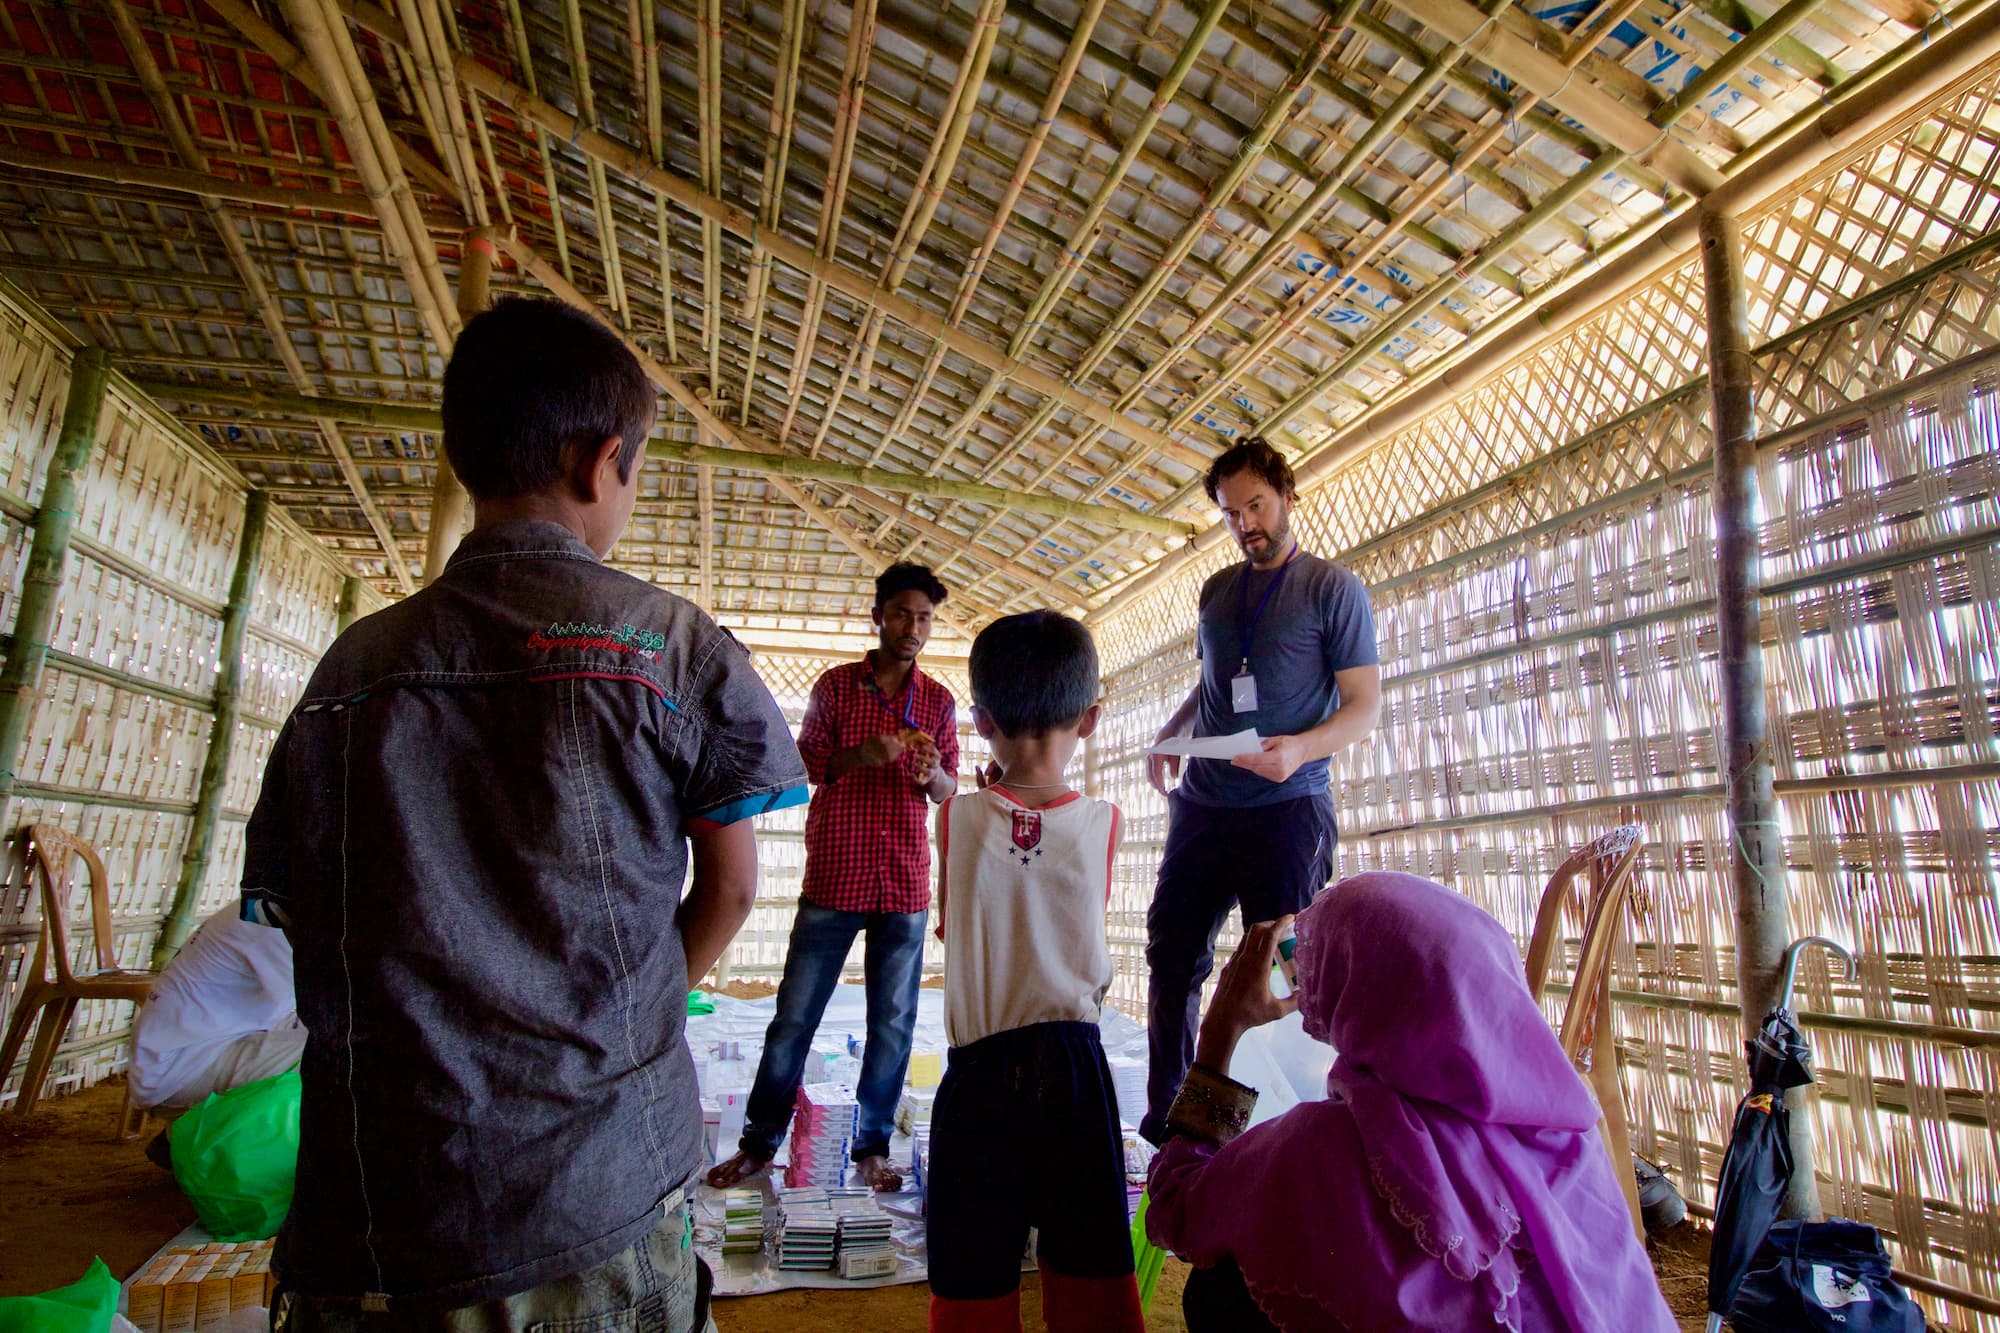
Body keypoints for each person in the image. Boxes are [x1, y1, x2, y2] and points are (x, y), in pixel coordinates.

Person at [239, 296, 808, 1331]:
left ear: (465, 458)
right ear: (604, 463)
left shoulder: (347, 672)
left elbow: (304, 914)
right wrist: (618, 1018)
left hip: (375, 1221)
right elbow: (729, 888)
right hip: (589, 1198)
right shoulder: (670, 648)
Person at [1146, 872, 1678, 1333]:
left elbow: (1174, 1211)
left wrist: (1220, 1034)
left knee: (1214, 1290)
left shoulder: (1320, 1148)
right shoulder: (1567, 1131)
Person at [1140, 436, 1381, 1143]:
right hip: (1204, 805)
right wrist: (1171, 730)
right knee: (1171, 951)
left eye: (1256, 505)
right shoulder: (1216, 592)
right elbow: (1214, 680)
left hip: (1288, 808)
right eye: (1230, 512)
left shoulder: (1333, 589)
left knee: (1280, 979)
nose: (1246, 523)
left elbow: (1364, 703)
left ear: (1287, 497)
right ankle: (1176, 1123)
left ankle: (1274, 1133)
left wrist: (1300, 748)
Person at [707, 563, 958, 1193]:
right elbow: (805, 764)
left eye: (924, 617)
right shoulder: (837, 687)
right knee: (794, 1017)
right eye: (902, 613)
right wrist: (861, 755)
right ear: (878, 616)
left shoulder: (939, 701)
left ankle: (871, 1146)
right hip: (836, 878)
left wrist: (931, 772)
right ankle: (760, 1142)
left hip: (903, 884)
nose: (913, 628)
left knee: (894, 1023)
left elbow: (949, 792)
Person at [926, 611, 1143, 1333]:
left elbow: (958, 922)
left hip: (981, 1075)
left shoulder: (953, 819)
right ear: (1090, 718)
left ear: (980, 718)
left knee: (973, 1279)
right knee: (1091, 1272)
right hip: (1076, 1071)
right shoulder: (1106, 821)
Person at [128, 906, 303, 1111]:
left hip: (208, 1048)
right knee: (340, 1056)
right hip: (180, 1072)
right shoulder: (270, 928)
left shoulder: (267, 908)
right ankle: (201, 1134)